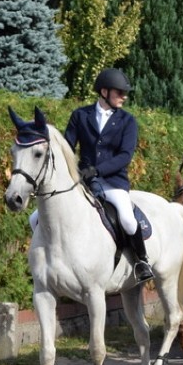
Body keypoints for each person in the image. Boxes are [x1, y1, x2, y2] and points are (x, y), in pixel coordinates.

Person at [67, 68, 153, 283]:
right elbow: (68, 145)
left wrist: (98, 170)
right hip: (83, 181)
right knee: (35, 218)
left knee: (127, 219)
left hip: (113, 182)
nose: (124, 96)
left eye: (125, 93)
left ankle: (141, 260)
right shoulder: (80, 115)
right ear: (104, 92)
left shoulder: (127, 121)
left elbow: (125, 155)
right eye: (119, 92)